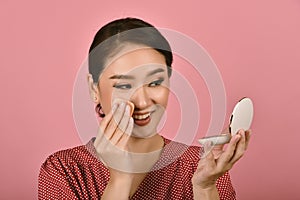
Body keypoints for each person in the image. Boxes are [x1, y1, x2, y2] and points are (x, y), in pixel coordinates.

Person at [38, 17, 251, 200]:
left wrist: (205, 188)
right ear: (94, 88)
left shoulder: (202, 167)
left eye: (155, 83)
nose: (142, 101)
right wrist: (121, 178)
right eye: (123, 85)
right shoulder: (63, 170)